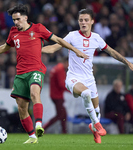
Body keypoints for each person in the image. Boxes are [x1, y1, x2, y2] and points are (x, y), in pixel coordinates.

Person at [0, 4, 88, 144]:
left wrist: (75, 50)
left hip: (36, 70)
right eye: (14, 20)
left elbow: (58, 40)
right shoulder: (13, 32)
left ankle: (39, 125)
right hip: (20, 74)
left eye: (18, 19)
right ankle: (32, 137)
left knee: (35, 94)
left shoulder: (38, 28)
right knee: (21, 107)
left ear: (25, 18)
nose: (16, 22)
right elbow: (5, 47)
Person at [42, 9, 133, 143]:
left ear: (92, 21)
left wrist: (126, 62)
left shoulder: (96, 38)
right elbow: (54, 47)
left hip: (89, 79)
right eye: (80, 20)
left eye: (86, 20)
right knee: (85, 94)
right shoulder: (72, 36)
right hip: (73, 77)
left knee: (97, 111)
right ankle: (97, 124)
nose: (83, 22)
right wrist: (37, 49)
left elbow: (111, 52)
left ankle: (94, 127)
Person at [43, 57, 69, 133]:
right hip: (57, 96)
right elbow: (61, 84)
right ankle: (43, 128)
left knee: (63, 114)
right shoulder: (60, 69)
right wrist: (71, 90)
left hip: (54, 95)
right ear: (66, 62)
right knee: (60, 115)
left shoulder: (56, 68)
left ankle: (64, 131)